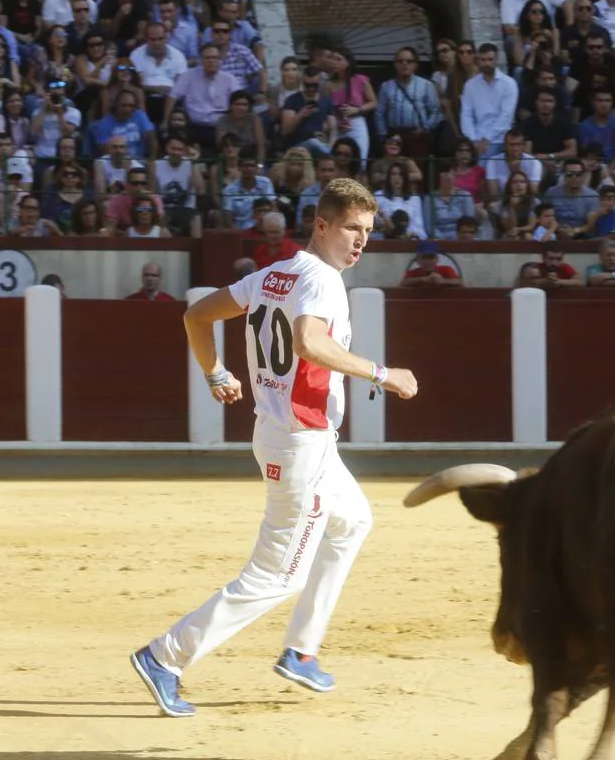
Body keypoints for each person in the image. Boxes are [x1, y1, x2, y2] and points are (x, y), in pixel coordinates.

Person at [131, 178, 419, 718]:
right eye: (352, 229)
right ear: (322, 224)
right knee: (275, 576)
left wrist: (216, 373)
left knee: (353, 521)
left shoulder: (273, 274)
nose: (361, 241)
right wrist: (384, 373)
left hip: (292, 436)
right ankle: (164, 656)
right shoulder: (323, 281)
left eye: (368, 232)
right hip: (301, 444)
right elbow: (311, 342)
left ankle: (302, 650)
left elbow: (196, 315)